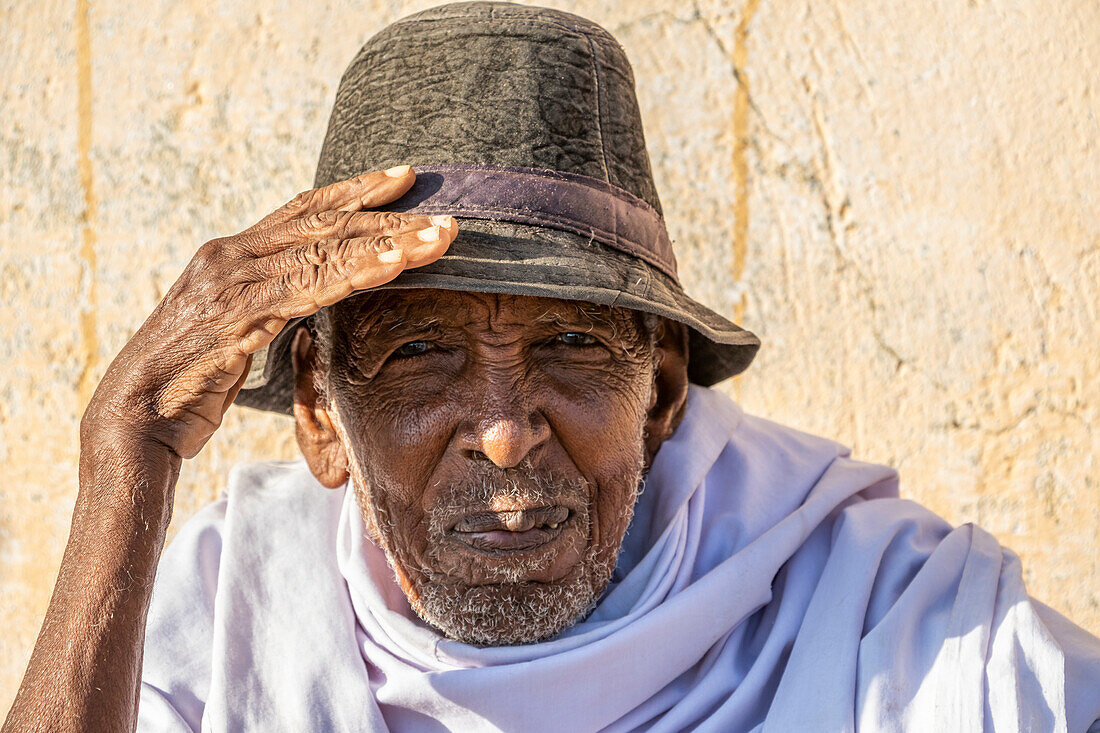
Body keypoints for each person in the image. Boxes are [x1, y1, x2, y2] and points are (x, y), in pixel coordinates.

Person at [5, 2, 1099, 731]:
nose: (502, 429)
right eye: (421, 352)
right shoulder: (228, 615)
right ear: (319, 418)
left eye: (570, 343)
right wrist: (127, 456)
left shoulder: (882, 621)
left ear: (663, 388)